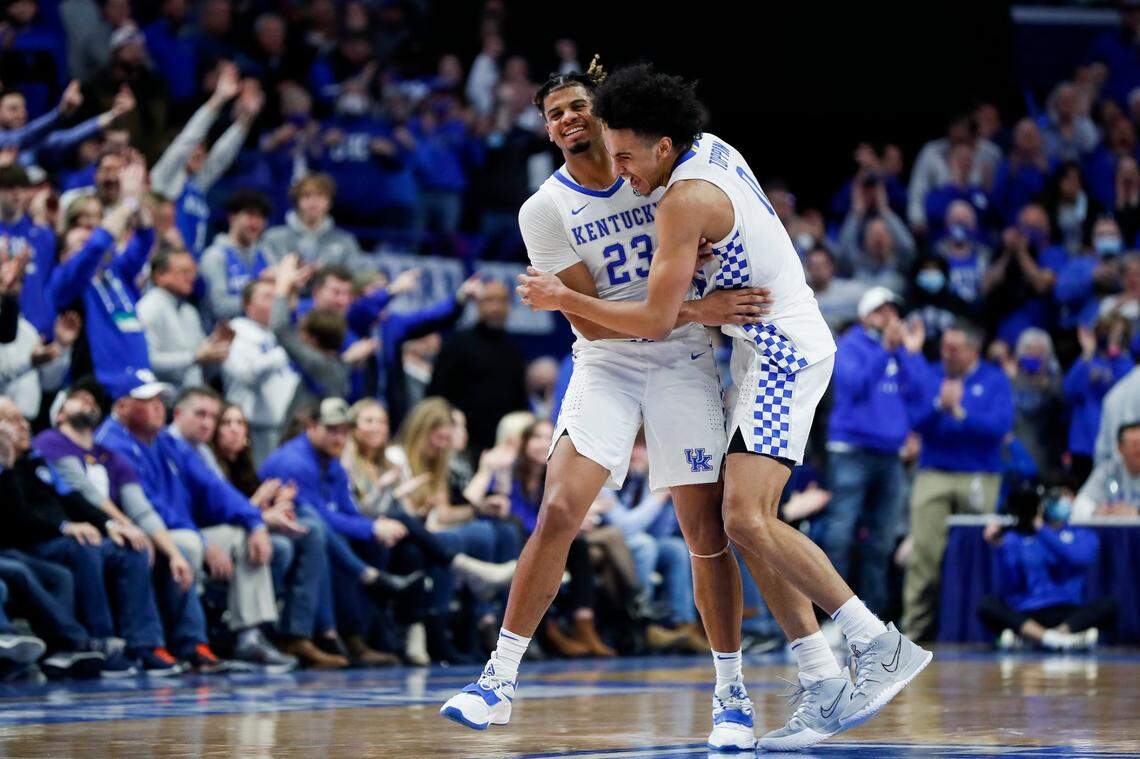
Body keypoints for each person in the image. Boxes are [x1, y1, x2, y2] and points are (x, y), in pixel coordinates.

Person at [514, 64, 931, 749]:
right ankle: (823, 679)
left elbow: (651, 321)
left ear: (663, 146)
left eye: (626, 156)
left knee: (743, 515)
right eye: (608, 154)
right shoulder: (712, 145)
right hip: (750, 346)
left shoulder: (683, 200)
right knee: (744, 524)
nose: (620, 171)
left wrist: (566, 299)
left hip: (778, 349)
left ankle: (875, 640)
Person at [94, 374, 298, 673]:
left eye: (160, 401)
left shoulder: (164, 439)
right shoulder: (113, 442)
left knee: (246, 537)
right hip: (142, 530)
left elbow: (213, 487)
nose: (158, 408)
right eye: (148, 401)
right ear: (123, 407)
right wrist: (203, 542)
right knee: (188, 544)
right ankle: (186, 641)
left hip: (180, 528)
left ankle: (248, 637)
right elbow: (146, 507)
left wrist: (254, 522)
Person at [32, 385, 225, 672]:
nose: (87, 398)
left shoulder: (108, 454)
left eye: (90, 398)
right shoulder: (52, 442)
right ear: (59, 415)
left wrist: (172, 553)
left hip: (110, 531)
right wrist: (122, 525)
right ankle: (116, 643)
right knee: (116, 548)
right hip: (72, 533)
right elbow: (84, 493)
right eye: (76, 399)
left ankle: (168, 643)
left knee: (169, 550)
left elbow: (141, 508)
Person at [0, 397, 177, 677]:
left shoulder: (38, 460)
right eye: (10, 420)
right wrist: (63, 526)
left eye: (22, 418)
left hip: (56, 539)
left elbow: (73, 498)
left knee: (129, 548)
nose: (22, 425)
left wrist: (110, 524)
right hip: (27, 543)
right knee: (81, 547)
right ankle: (101, 641)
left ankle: (143, 644)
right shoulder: (10, 466)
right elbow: (14, 518)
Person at [210, 402, 349, 669]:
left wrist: (271, 506)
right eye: (227, 423)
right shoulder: (211, 465)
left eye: (240, 423)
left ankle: (297, 634)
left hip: (248, 529)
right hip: (223, 537)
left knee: (309, 527)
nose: (235, 430)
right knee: (288, 542)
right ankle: (257, 632)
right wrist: (259, 507)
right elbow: (216, 516)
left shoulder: (243, 465)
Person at [814, 287, 926, 617]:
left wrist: (913, 354)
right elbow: (853, 387)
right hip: (851, 451)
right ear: (865, 317)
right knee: (840, 535)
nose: (889, 318)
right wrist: (887, 351)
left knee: (881, 541)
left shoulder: (901, 352)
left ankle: (874, 619)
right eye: (881, 311)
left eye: (893, 312)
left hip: (890, 455)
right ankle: (832, 616)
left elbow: (921, 395)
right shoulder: (849, 346)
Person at [903, 322, 1013, 640]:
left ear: (973, 351)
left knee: (983, 551)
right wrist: (940, 406)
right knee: (923, 554)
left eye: (954, 348)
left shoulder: (995, 379)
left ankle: (985, 628)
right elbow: (914, 422)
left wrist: (961, 412)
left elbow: (999, 429)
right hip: (934, 471)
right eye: (944, 347)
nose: (946, 354)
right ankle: (914, 632)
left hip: (981, 473)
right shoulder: (931, 375)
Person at [980, 481, 1113, 650]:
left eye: (1063, 496)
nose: (1059, 501)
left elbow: (1076, 558)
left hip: (1067, 610)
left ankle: (1041, 638)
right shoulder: (1017, 536)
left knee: (1109, 604)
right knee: (987, 605)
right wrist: (1000, 548)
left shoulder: (1083, 535)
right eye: (1053, 497)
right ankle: (1057, 639)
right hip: (1030, 611)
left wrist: (1042, 529)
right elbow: (1012, 582)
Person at [426, 279, 529, 455]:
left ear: (509, 306)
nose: (496, 307)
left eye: (502, 301)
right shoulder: (458, 343)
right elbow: (436, 394)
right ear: (478, 305)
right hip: (460, 444)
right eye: (490, 300)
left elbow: (520, 399)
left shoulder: (514, 350)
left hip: (502, 445)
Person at [222, 279, 299, 463]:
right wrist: (284, 349)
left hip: (285, 424)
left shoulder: (274, 333)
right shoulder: (236, 330)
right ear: (248, 303)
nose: (275, 303)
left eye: (277, 297)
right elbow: (247, 375)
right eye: (267, 297)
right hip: (255, 427)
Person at [136, 249, 232, 391]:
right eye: (184, 271)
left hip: (193, 396)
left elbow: (204, 370)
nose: (192, 277)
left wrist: (216, 351)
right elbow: (146, 362)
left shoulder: (189, 311)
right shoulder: (148, 308)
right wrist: (194, 357)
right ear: (160, 275)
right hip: (165, 400)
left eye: (193, 271)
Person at [1064, 315, 1135, 483]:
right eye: (1109, 333)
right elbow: (1069, 391)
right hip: (1083, 443)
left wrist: (1117, 354)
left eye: (1119, 335)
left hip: (1113, 443)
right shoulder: (1087, 360)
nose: (1113, 339)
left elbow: (1127, 389)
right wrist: (1086, 356)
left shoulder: (1126, 364)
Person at [198, 189, 273, 324]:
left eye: (261, 217)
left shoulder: (265, 254)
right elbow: (219, 307)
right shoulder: (215, 256)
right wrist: (259, 300)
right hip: (227, 337)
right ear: (232, 217)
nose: (255, 224)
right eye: (250, 215)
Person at [1075, 421, 1140, 519]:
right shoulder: (1108, 470)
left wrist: (1137, 512)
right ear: (1120, 448)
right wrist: (1095, 512)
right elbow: (1079, 504)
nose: (1138, 449)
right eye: (1133, 445)